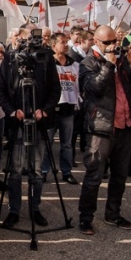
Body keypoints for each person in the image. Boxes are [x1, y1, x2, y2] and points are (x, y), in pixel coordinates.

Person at [77, 25, 131, 235]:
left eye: (115, 41)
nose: (113, 46)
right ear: (97, 42)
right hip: (100, 128)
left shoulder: (123, 60)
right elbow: (94, 88)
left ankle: (113, 213)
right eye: (108, 42)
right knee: (94, 176)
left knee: (120, 175)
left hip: (125, 126)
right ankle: (85, 218)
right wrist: (108, 65)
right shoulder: (88, 63)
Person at [0, 31, 61, 228]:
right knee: (15, 171)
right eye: (23, 38)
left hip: (40, 123)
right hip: (17, 123)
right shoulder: (9, 59)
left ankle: (35, 209)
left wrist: (46, 110)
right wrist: (11, 111)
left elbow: (55, 89)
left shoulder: (46, 57)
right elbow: (0, 89)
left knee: (37, 170)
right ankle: (13, 210)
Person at [42, 33, 80, 184]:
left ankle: (66, 171)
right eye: (62, 42)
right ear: (53, 46)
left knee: (67, 144)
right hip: (51, 110)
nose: (66, 45)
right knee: (47, 143)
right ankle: (44, 171)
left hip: (68, 109)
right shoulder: (47, 64)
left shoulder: (74, 64)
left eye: (66, 42)